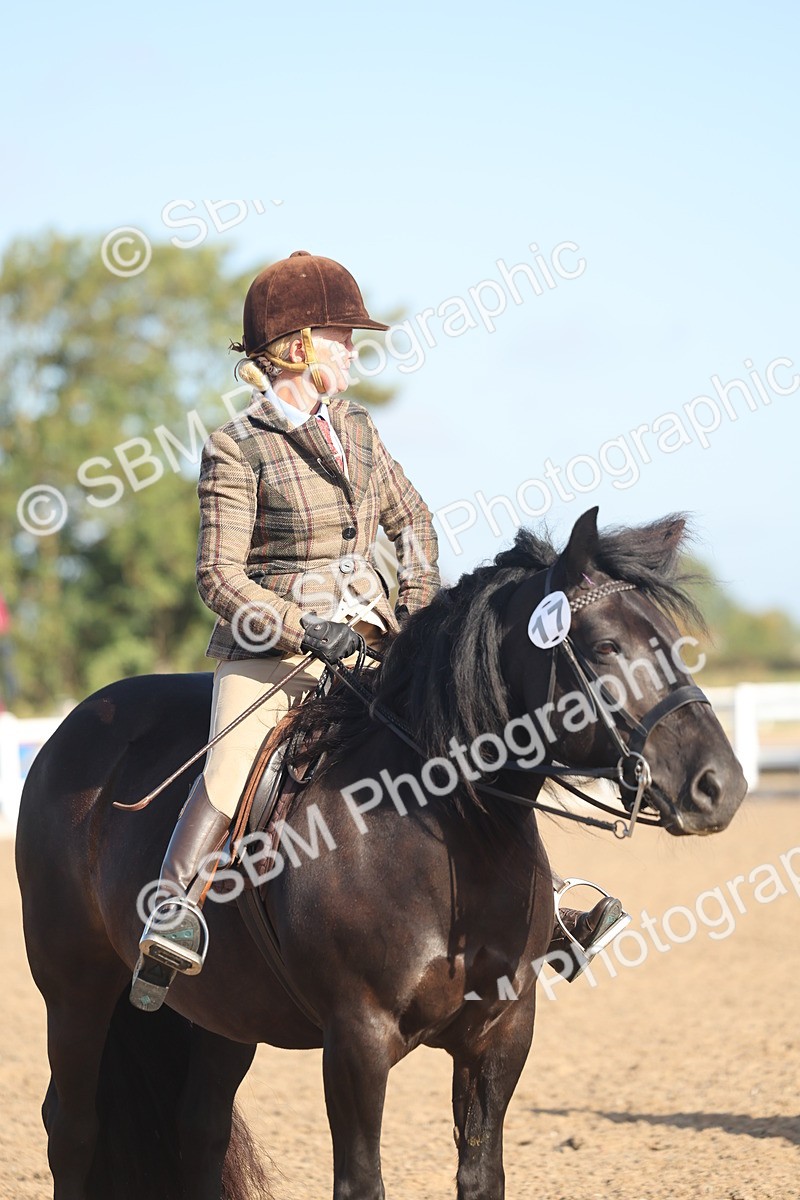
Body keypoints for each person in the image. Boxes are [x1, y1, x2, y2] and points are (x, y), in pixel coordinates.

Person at [130, 250, 627, 1012]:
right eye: (341, 337)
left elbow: (414, 521)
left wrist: (419, 618)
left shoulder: (357, 429)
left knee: (468, 745)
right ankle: (174, 908)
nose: (352, 351)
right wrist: (301, 627)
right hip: (273, 656)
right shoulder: (239, 445)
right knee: (233, 766)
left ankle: (545, 909)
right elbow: (218, 579)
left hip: (371, 643)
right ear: (297, 347)